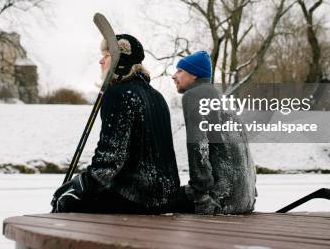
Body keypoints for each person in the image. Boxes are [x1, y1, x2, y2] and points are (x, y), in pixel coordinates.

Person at [51, 34, 181, 214]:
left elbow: (111, 159)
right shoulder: (157, 97)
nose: (100, 61)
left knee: (66, 203)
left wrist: (81, 185)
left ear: (120, 61)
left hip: (135, 198)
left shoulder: (119, 93)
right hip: (166, 198)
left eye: (106, 56)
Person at [172, 50, 257, 214]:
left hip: (219, 201)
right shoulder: (222, 99)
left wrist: (202, 199)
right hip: (243, 199)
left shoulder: (195, 95)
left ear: (194, 74)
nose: (174, 76)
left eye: (180, 71)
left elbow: (199, 148)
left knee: (158, 199)